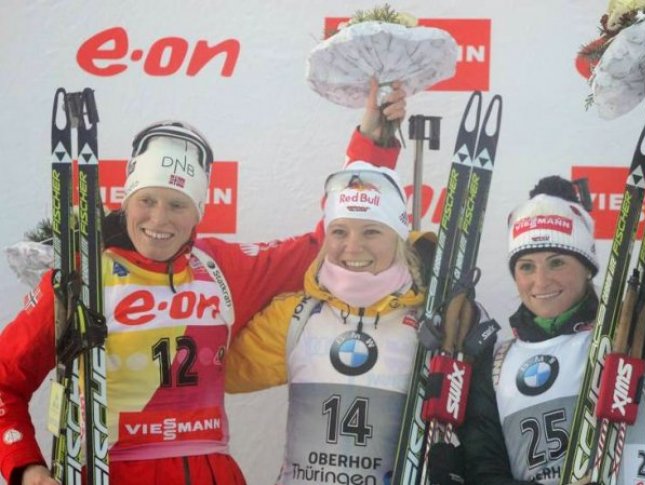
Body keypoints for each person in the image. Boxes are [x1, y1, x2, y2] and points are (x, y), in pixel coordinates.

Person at [0, 83, 406, 485]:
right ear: (126, 201)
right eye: (147, 201)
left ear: (198, 211)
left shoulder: (220, 267)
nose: (159, 220)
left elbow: (320, 246)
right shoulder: (81, 278)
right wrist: (26, 468)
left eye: (178, 205)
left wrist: (371, 147)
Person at [457, 60, 645, 484]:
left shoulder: (636, 330)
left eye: (558, 262)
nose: (540, 282)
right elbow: (486, 465)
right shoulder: (497, 364)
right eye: (526, 267)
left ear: (588, 267)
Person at [225, 160, 474, 483]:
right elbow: (225, 375)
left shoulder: (432, 319)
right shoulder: (296, 315)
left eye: (371, 231)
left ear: (399, 238)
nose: (352, 247)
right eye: (339, 232)